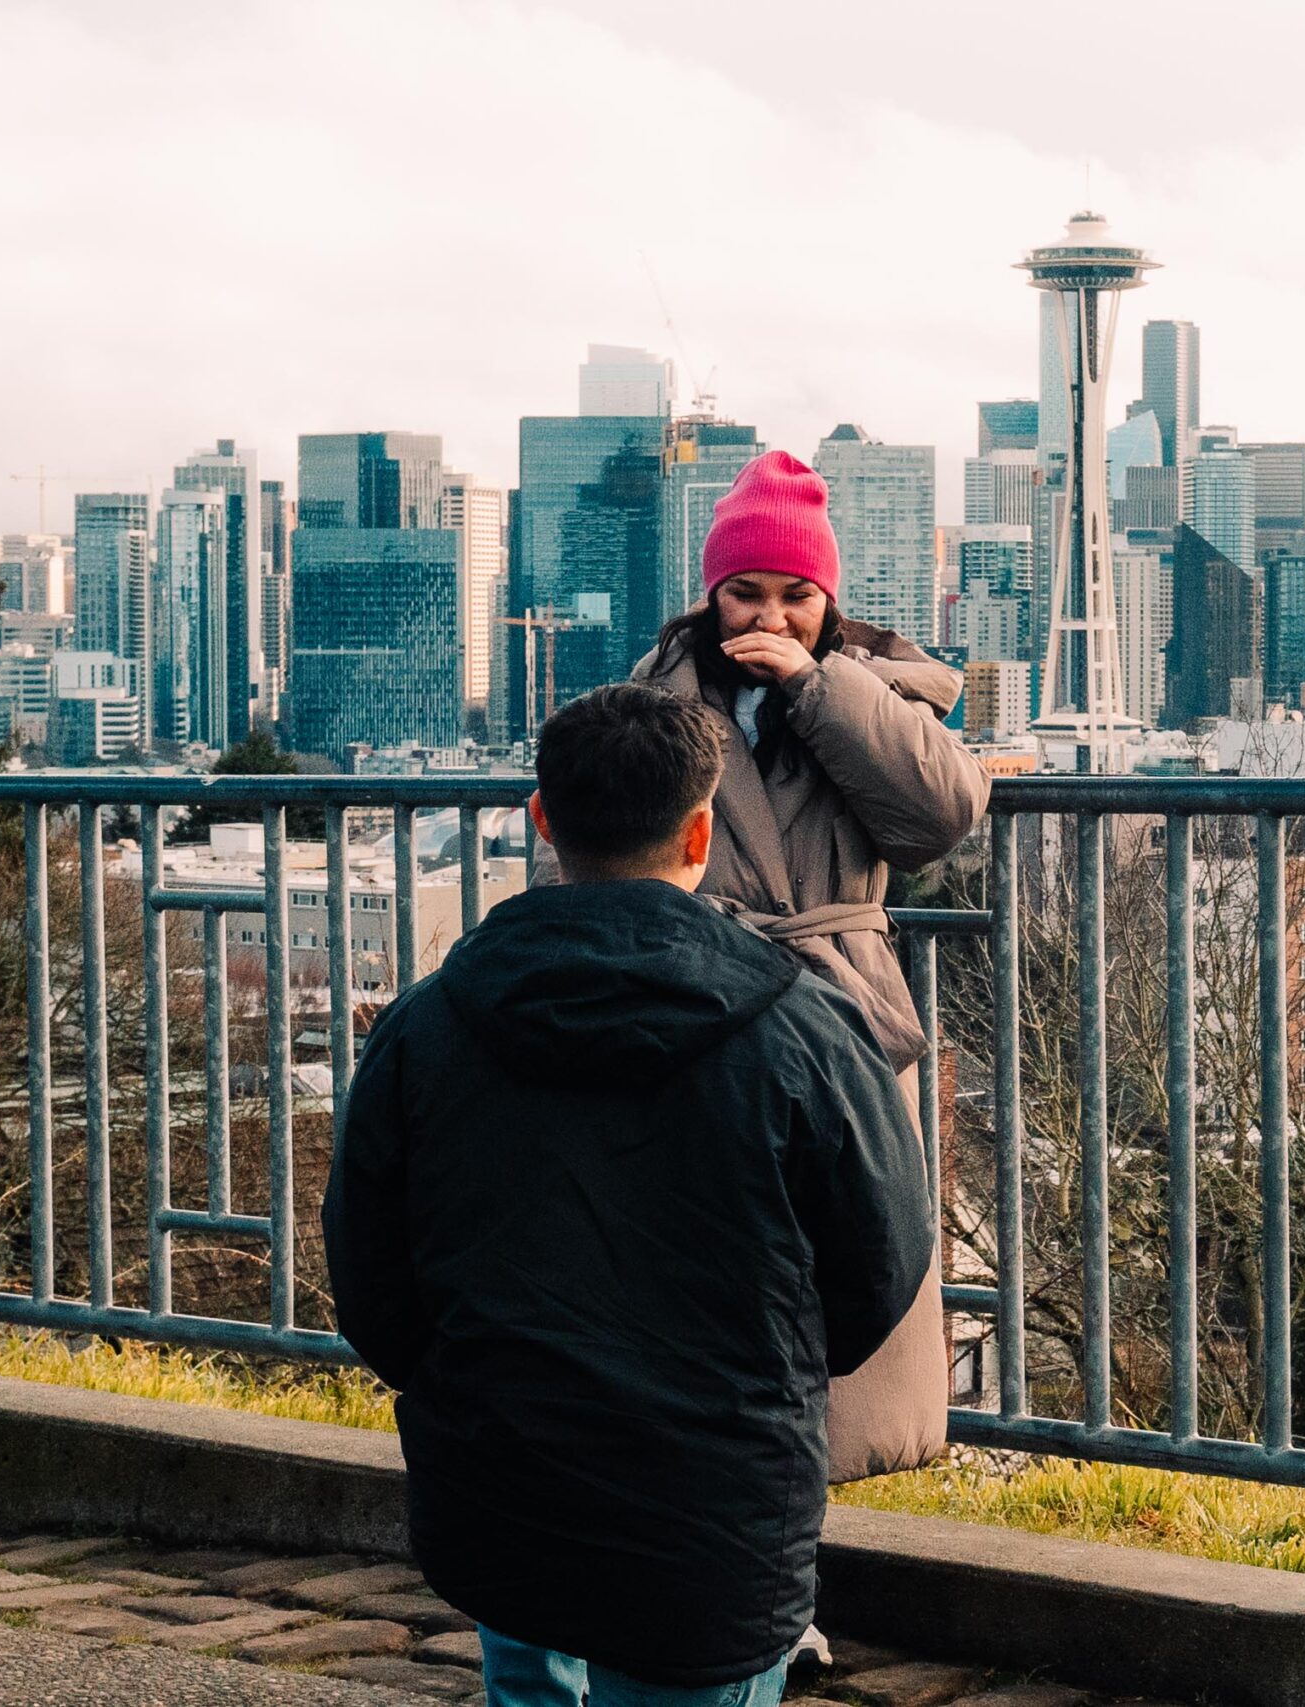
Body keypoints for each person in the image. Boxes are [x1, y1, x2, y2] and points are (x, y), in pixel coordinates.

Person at [323, 683, 933, 1707]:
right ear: (700, 832)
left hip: (503, 1484)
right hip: (714, 1511)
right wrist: (774, 1377)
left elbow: (370, 1270)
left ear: (542, 819)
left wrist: (464, 1385)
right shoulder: (808, 1034)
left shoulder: (427, 1028)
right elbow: (882, 1262)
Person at [578, 447, 990, 1487]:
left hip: (841, 1008)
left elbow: (939, 817)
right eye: (746, 591)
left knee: (851, 1253)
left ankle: (809, 1507)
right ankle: (727, 1511)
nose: (771, 616)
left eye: (797, 595)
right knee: (713, 1275)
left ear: (828, 602)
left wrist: (815, 688)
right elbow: (595, 844)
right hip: (697, 1013)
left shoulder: (875, 694)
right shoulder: (651, 702)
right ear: (711, 595)